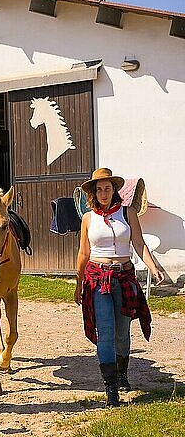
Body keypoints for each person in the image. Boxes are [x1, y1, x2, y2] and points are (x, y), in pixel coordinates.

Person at [74, 168, 164, 407]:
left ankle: (122, 373)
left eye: (107, 188)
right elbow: (84, 252)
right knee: (105, 332)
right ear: (93, 193)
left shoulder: (128, 212)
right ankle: (110, 389)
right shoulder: (87, 218)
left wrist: (153, 268)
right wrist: (78, 282)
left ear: (115, 190)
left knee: (122, 334)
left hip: (124, 277)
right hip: (97, 278)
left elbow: (139, 243)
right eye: (99, 189)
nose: (103, 193)